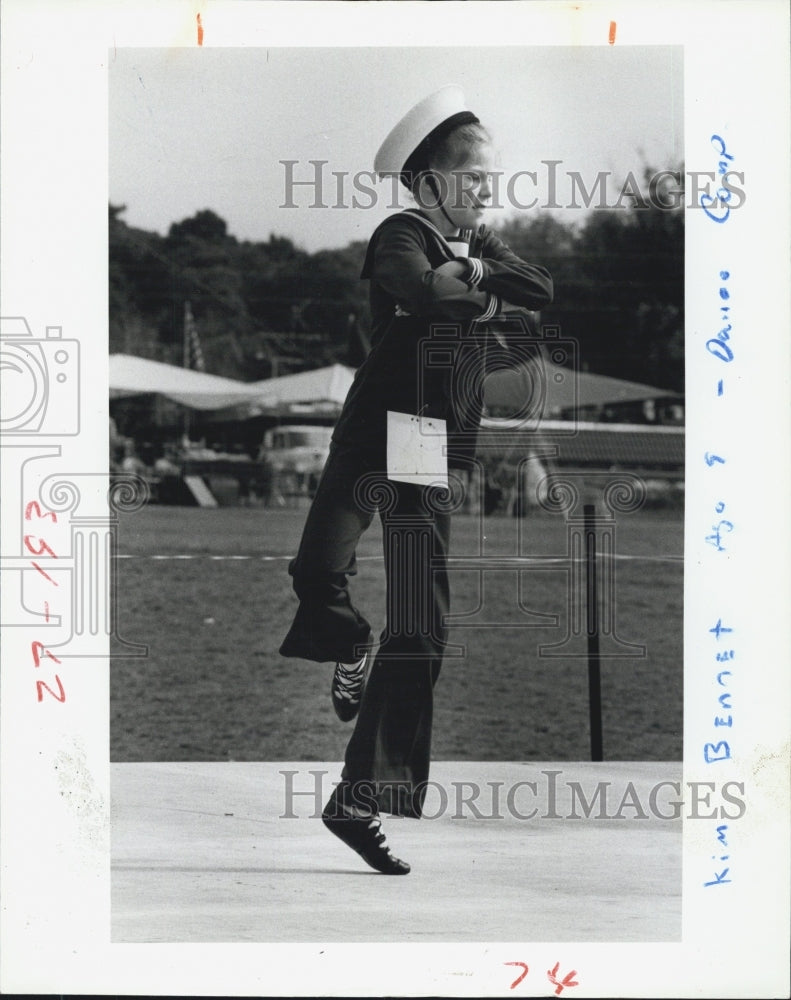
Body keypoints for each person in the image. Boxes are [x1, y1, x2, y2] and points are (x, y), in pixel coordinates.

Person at [279, 86, 553, 874]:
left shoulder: (480, 245)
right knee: (316, 572)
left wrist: (477, 281)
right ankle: (348, 643)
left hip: (428, 443)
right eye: (473, 180)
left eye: (491, 180)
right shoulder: (399, 233)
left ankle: (358, 799)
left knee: (423, 627)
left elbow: (539, 296)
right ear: (430, 182)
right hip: (376, 428)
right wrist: (477, 289)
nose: (486, 193)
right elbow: (421, 289)